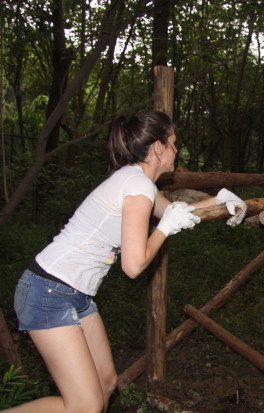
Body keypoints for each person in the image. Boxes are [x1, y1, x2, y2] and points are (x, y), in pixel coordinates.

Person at [6, 111, 247, 413]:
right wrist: (165, 229)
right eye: (174, 143)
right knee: (84, 406)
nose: (176, 149)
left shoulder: (135, 180)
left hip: (73, 293)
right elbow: (133, 266)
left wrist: (219, 200)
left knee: (106, 383)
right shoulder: (138, 186)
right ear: (159, 148)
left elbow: (172, 211)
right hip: (49, 292)